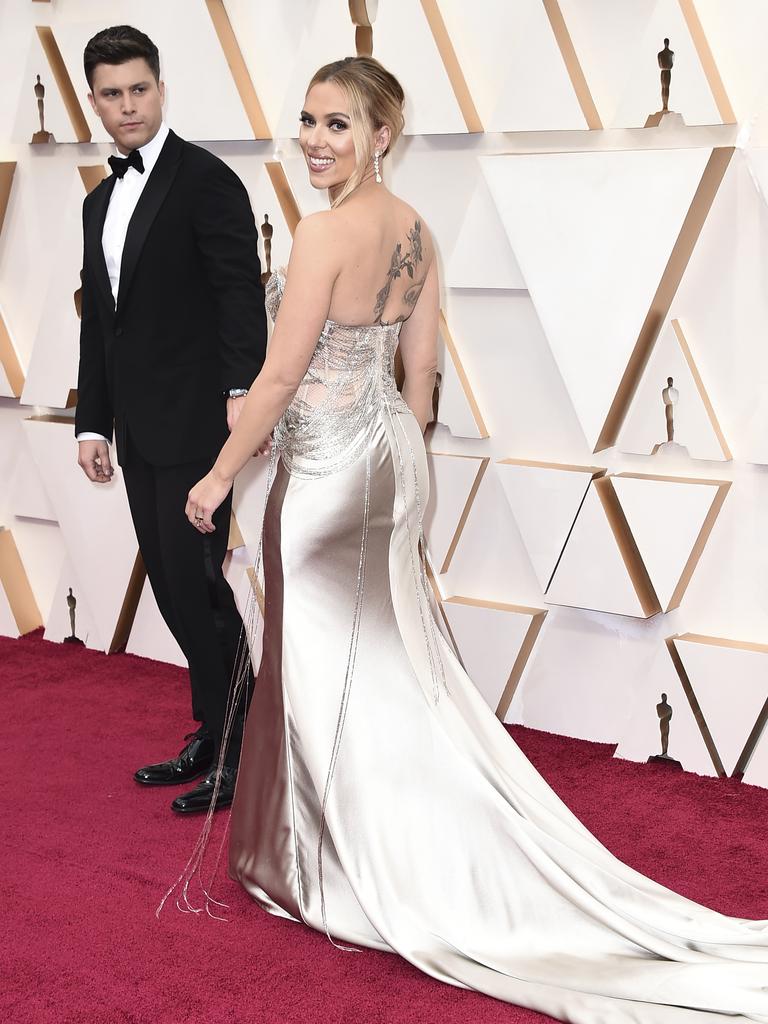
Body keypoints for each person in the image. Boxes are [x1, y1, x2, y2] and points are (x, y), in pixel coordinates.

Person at [181, 57, 768, 1023]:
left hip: (325, 475)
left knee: (327, 664)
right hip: (386, 459)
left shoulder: (325, 229)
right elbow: (421, 374)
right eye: (309, 123)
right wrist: (404, 475)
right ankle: (368, 837)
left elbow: (282, 379)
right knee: (391, 664)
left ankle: (338, 860)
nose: (316, 142)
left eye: (338, 125)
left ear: (380, 135)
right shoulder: (416, 231)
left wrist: (214, 476)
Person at [75, 25, 267, 814]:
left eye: (139, 89)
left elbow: (238, 295)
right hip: (137, 429)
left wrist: (240, 393)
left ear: (161, 88)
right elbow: (101, 322)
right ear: (94, 100)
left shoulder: (208, 180)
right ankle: (216, 732)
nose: (128, 105)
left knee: (196, 584)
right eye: (112, 94)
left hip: (198, 423)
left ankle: (241, 747)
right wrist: (92, 422)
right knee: (173, 585)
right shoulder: (98, 200)